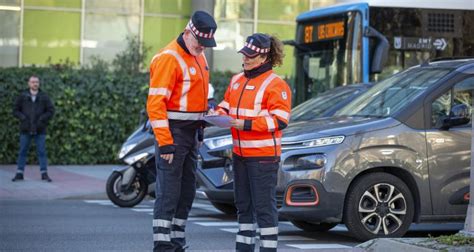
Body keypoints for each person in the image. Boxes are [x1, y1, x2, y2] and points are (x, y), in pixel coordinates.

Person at [146, 10, 217, 252]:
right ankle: (162, 243)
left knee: (187, 190)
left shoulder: (199, 55)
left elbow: (197, 96)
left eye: (207, 44)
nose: (203, 48)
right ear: (188, 33)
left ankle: (176, 239)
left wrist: (208, 115)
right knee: (169, 191)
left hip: (191, 133)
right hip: (173, 134)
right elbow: (155, 104)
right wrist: (165, 142)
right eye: (200, 43)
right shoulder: (169, 58)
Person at [215, 33, 292, 251]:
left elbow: (280, 120)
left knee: (264, 209)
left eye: (250, 56)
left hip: (263, 158)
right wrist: (217, 114)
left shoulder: (276, 84)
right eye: (244, 54)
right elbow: (226, 105)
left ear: (264, 57)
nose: (245, 59)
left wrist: (245, 125)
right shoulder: (236, 80)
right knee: (243, 207)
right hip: (240, 155)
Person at [12, 75, 55, 182]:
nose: (35, 84)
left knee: (41, 152)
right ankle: (19, 174)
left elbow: (51, 111)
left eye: (37, 82)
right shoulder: (22, 96)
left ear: (39, 84)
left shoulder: (44, 96)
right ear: (29, 83)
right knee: (22, 151)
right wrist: (23, 118)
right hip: (25, 129)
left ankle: (44, 174)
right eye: (33, 82)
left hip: (40, 129)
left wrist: (42, 120)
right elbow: (15, 110)